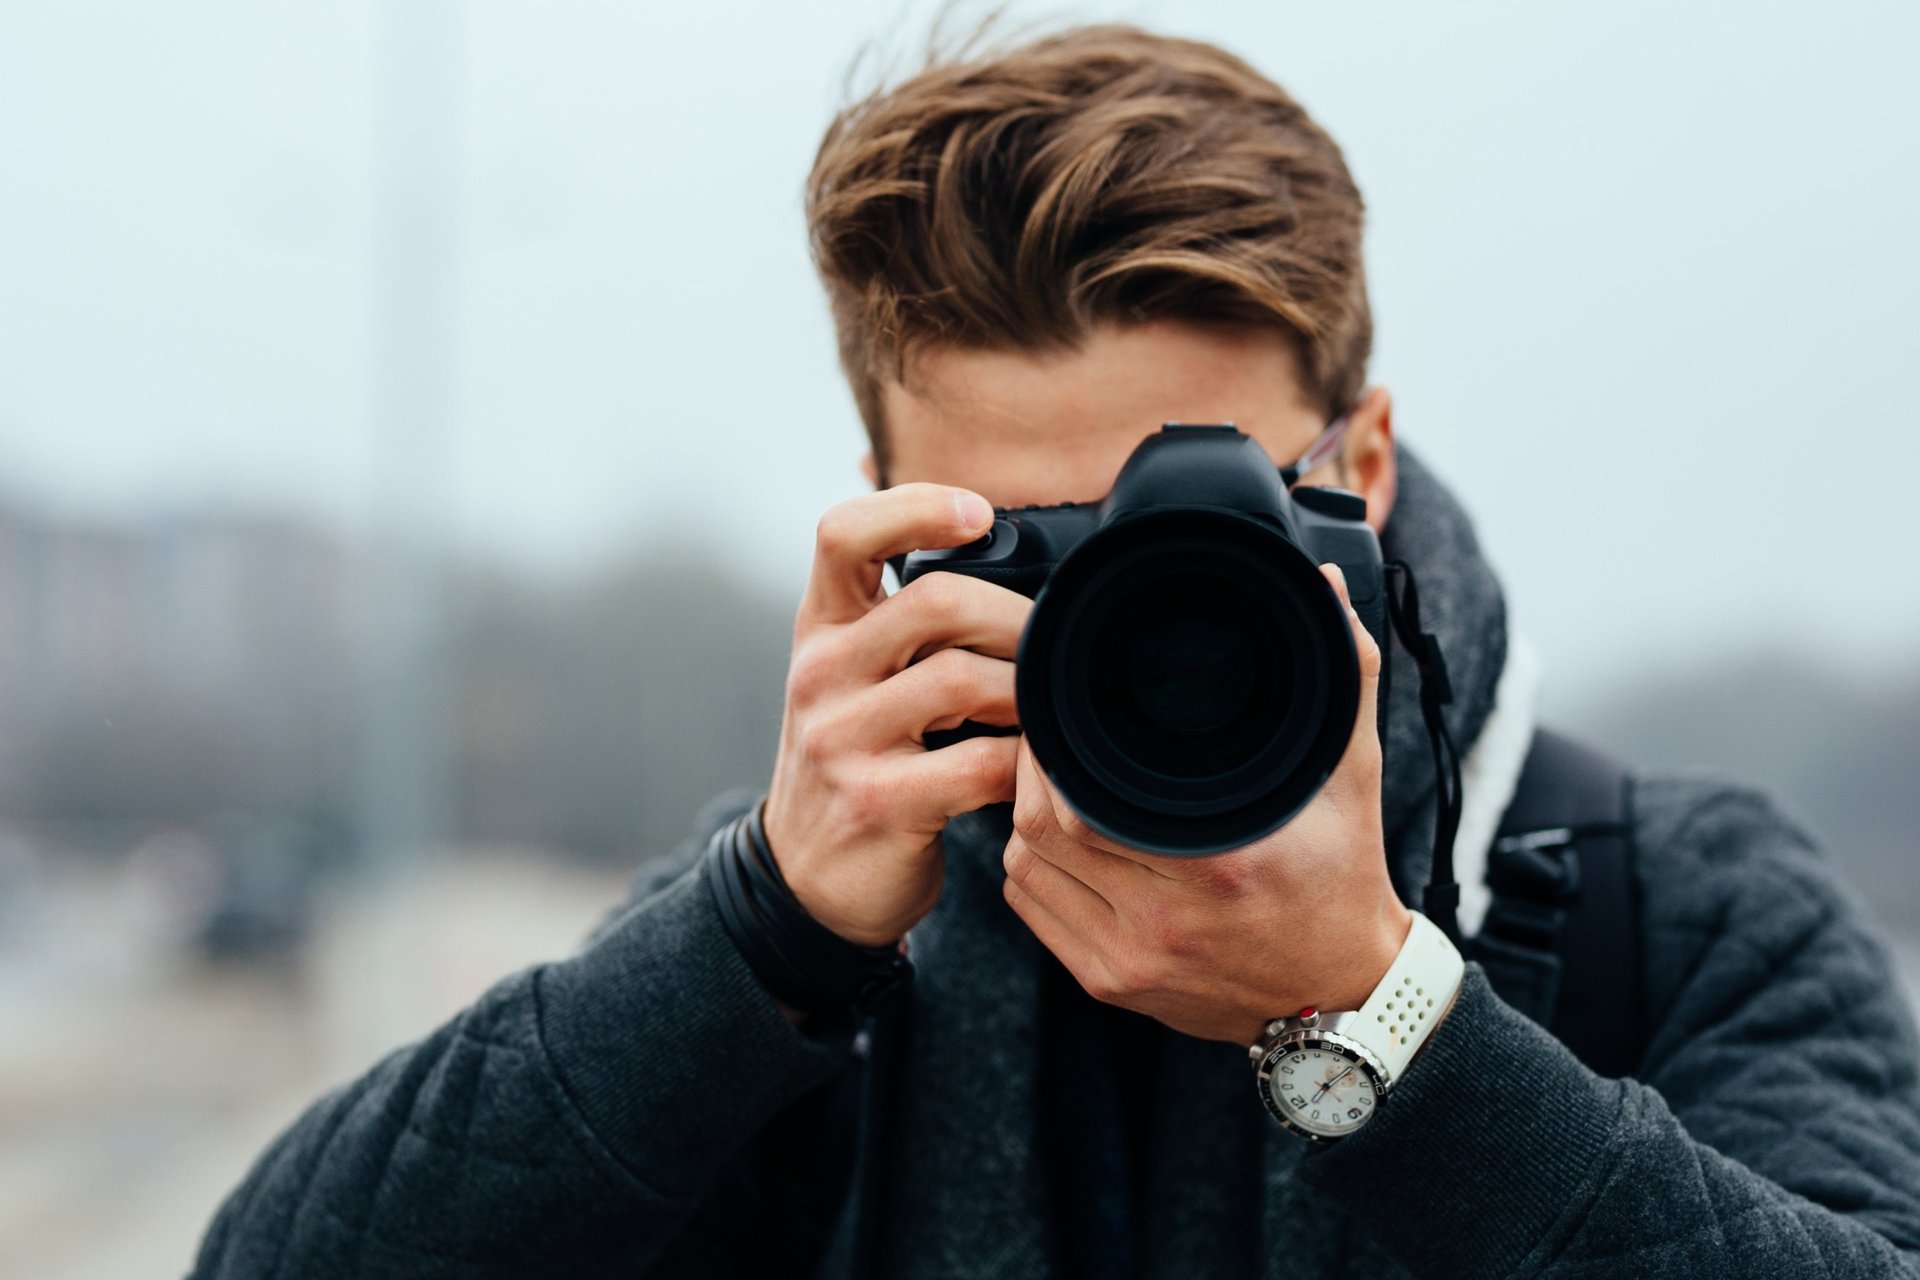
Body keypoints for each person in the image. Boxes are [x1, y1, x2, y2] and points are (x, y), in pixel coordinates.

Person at [191, 23, 1920, 1279]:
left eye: (1197, 527)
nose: (1129, 613)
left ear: (1365, 470)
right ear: (884, 516)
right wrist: (756, 937)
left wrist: (1392, 1022)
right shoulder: (829, 934)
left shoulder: (1662, 904)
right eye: (1032, 547)